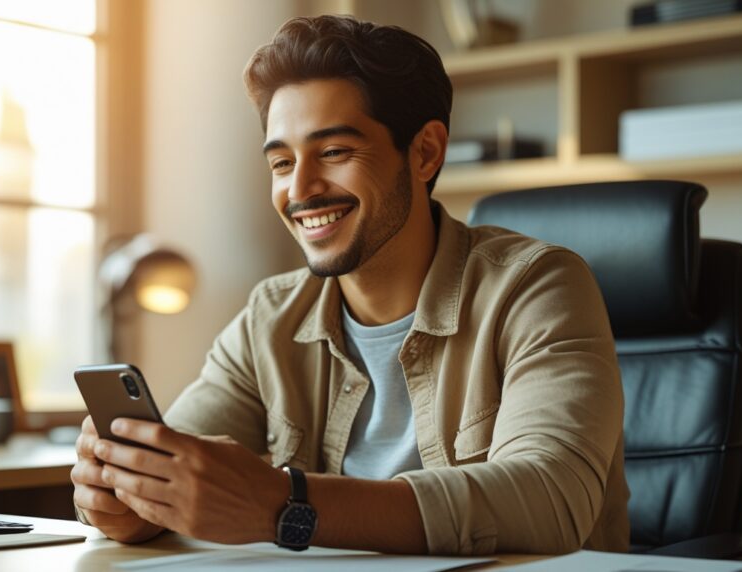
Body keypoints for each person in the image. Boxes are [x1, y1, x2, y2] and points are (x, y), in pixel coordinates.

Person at [71, 15, 629, 555]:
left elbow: (551, 499)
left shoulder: (537, 286)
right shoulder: (271, 317)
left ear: (425, 152)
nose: (301, 190)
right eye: (282, 162)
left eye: (334, 152)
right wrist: (127, 499)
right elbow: (178, 474)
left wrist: (285, 504)